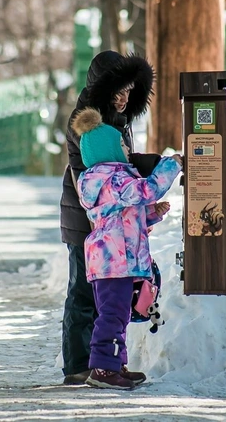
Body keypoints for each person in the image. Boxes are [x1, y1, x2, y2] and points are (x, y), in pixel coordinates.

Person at [59, 50, 162, 385]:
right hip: (87, 220)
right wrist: (96, 222)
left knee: (106, 298)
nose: (124, 98)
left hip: (108, 222)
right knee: (83, 293)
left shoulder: (118, 120)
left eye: (130, 91)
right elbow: (88, 174)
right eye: (118, 90)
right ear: (103, 88)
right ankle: (78, 365)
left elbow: (125, 164)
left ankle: (104, 363)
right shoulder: (87, 121)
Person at [70, 107, 182, 389]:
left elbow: (124, 216)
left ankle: (115, 364)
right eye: (121, 144)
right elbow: (147, 190)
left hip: (111, 259)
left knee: (117, 314)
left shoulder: (102, 181)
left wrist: (152, 214)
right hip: (115, 261)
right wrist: (172, 165)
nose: (126, 149)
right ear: (108, 149)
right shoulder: (114, 178)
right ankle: (103, 370)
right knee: (113, 315)